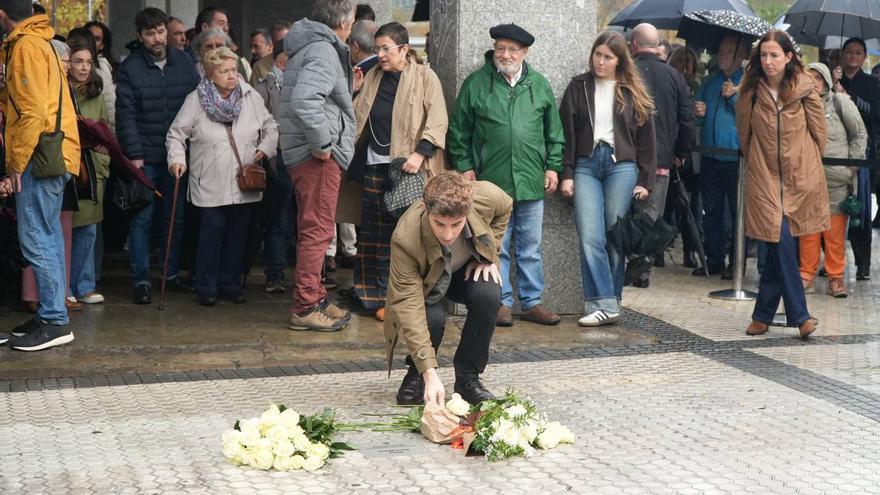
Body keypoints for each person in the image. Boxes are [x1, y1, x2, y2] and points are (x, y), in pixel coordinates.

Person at [448, 23, 564, 327]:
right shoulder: (476, 83)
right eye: (500, 48)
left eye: (513, 49)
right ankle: (501, 301)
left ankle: (532, 302)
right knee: (495, 245)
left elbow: (554, 132)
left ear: (525, 52)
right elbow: (459, 130)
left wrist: (553, 166)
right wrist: (465, 166)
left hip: (531, 180)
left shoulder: (539, 85)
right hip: (490, 182)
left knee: (530, 247)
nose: (506, 54)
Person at [338, 21, 447, 321]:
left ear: (404, 48)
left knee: (402, 234)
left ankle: (397, 297)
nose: (381, 55)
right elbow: (353, 115)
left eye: (386, 49)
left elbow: (438, 121)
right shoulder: (371, 74)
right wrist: (353, 90)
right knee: (371, 232)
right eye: (377, 49)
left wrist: (419, 154)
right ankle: (369, 294)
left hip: (408, 169)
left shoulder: (425, 77)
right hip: (373, 163)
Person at [386, 172, 512, 406]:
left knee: (489, 295)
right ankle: (417, 373)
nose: (448, 234)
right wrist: (429, 372)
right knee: (431, 320)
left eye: (456, 224)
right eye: (439, 224)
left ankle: (467, 379)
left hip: (464, 272)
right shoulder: (404, 238)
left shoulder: (486, 196)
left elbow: (506, 205)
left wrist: (489, 254)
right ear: (426, 210)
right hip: (427, 284)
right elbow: (409, 307)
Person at [167, 47, 278, 306]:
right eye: (224, 71)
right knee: (211, 234)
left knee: (237, 236)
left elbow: (271, 126)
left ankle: (230, 285)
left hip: (243, 181)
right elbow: (176, 134)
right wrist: (177, 160)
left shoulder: (250, 97)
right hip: (209, 180)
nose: (231, 76)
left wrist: (265, 148)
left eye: (234, 70)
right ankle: (206, 287)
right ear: (209, 74)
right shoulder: (195, 100)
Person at [559, 30, 656, 327]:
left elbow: (647, 139)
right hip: (586, 164)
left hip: (621, 166)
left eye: (608, 57)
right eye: (597, 55)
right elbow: (565, 135)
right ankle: (604, 303)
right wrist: (567, 173)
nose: (600, 62)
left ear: (619, 61)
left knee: (615, 237)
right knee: (590, 235)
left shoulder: (631, 91)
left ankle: (610, 302)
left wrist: (645, 180)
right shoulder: (578, 87)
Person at [736, 30, 827, 338]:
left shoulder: (804, 87)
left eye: (774, 55)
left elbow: (819, 133)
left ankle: (762, 315)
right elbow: (744, 133)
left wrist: (806, 163)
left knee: (781, 243)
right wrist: (756, 161)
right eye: (763, 55)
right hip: (764, 175)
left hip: (799, 175)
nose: (768, 61)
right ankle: (800, 316)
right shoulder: (751, 89)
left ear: (788, 57)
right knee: (779, 238)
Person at [1, 1, 81, 351]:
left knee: (36, 237)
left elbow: (32, 112)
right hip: (54, 152)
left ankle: (54, 320)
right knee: (47, 237)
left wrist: (16, 163)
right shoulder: (41, 41)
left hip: (38, 156)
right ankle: (51, 314)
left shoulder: (25, 46)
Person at [280, 0, 356, 331]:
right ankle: (306, 306)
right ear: (344, 21)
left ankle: (317, 297)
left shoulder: (310, 45)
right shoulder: (324, 50)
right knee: (318, 231)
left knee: (315, 229)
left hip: (304, 153)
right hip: (314, 157)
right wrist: (323, 144)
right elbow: (304, 101)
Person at [116, 7, 200, 304]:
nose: (157, 38)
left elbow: (197, 105)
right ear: (140, 36)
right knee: (142, 218)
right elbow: (125, 116)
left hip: (177, 155)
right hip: (146, 157)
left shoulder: (185, 63)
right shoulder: (130, 68)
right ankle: (141, 280)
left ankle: (169, 273)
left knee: (174, 217)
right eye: (150, 33)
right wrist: (135, 154)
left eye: (161, 32)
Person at [628, 24, 693, 286]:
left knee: (624, 214)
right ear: (656, 46)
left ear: (634, 44)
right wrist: (680, 152)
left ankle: (623, 263)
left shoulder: (626, 72)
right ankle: (642, 270)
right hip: (661, 161)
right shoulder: (674, 76)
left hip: (626, 158)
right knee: (650, 215)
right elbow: (686, 120)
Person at [800, 63, 865, 298]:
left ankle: (836, 278)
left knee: (834, 234)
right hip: (807, 179)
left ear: (827, 81)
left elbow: (859, 134)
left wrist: (852, 166)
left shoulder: (841, 102)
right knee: (808, 232)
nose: (814, 82)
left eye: (818, 78)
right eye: (810, 77)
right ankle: (805, 276)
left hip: (837, 180)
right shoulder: (797, 104)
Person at [693, 35, 749, 278]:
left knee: (737, 214)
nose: (723, 56)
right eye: (722, 51)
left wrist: (734, 96)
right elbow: (698, 118)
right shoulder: (709, 82)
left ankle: (737, 263)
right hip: (710, 155)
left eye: (729, 52)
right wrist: (699, 113)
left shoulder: (747, 83)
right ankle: (714, 259)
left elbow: (750, 116)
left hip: (736, 159)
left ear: (740, 56)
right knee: (711, 211)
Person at [67, 37, 111, 306]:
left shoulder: (96, 93)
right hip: (67, 166)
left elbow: (106, 130)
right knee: (66, 229)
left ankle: (84, 286)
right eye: (77, 61)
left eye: (88, 62)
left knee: (89, 230)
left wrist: (103, 163)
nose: (84, 68)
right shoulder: (59, 90)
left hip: (92, 168)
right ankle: (65, 288)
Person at [838, 38, 880, 280]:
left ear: (864, 57)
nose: (853, 57)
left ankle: (862, 263)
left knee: (860, 211)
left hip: (862, 154)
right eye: (849, 52)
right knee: (834, 209)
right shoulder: (834, 79)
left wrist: (850, 99)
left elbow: (876, 113)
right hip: (835, 152)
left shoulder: (871, 84)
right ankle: (832, 260)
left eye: (857, 53)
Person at [80, 23, 116, 130]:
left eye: (97, 39)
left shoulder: (102, 67)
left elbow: (110, 107)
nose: (91, 42)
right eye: (89, 37)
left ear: (102, 45)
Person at [250, 20, 290, 86]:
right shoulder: (259, 67)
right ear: (272, 43)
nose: (282, 46)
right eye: (278, 43)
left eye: (284, 41)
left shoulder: (302, 61)